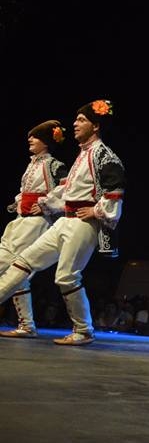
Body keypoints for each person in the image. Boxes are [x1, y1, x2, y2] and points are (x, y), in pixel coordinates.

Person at [0, 100, 125, 345]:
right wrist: (47, 203)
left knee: (67, 276)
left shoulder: (104, 155)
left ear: (96, 126)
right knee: (23, 262)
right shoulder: (83, 155)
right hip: (64, 221)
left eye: (82, 120)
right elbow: (66, 189)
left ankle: (84, 330)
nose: (75, 124)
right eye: (76, 119)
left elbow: (115, 189)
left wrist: (96, 210)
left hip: (82, 224)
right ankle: (34, 324)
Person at [0, 120, 69, 338]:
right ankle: (27, 325)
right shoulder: (33, 164)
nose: (30, 139)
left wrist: (47, 205)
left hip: (36, 223)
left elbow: (66, 190)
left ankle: (27, 325)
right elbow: (25, 189)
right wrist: (19, 203)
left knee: (6, 262)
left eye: (35, 137)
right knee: (18, 273)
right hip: (21, 221)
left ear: (46, 142)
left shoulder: (53, 165)